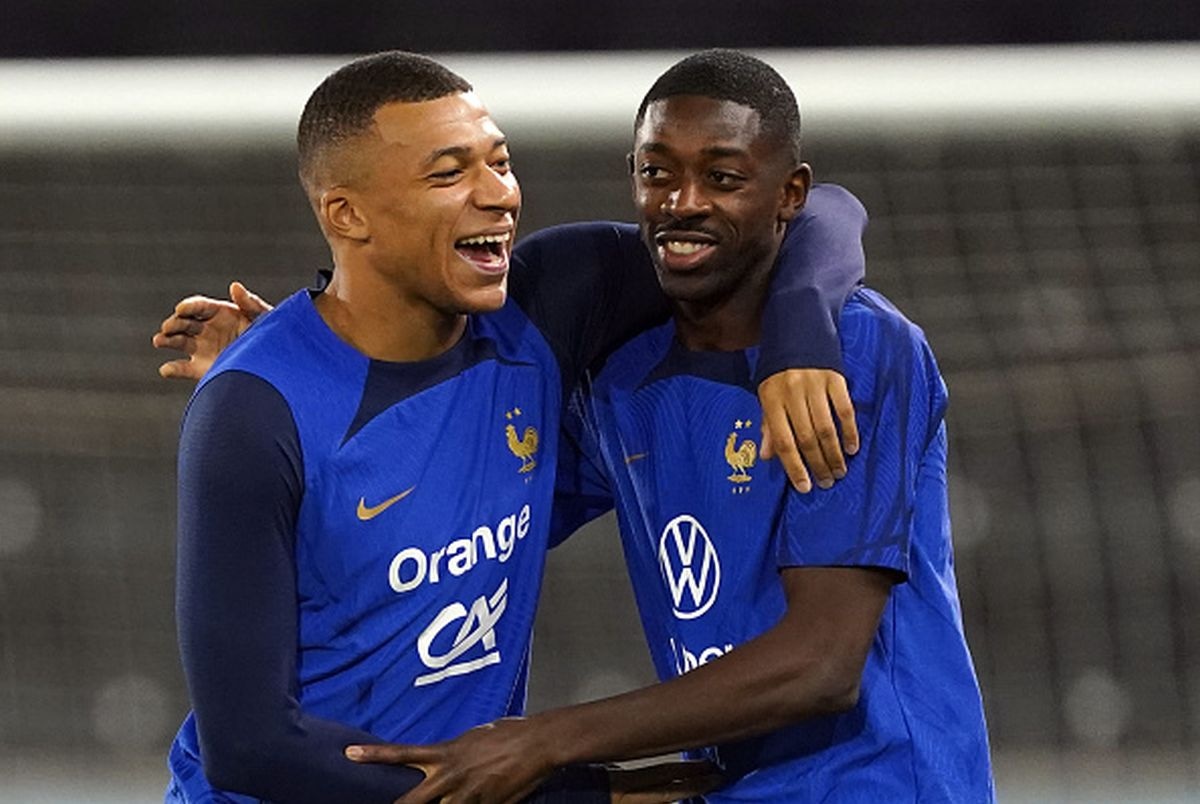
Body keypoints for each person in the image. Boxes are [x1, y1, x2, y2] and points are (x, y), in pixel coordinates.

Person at [158, 51, 868, 803]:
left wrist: (800, 342)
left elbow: (816, 214)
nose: (497, 195)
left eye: (500, 162)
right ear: (347, 214)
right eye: (449, 173)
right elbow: (251, 748)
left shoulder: (545, 309)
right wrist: (575, 796)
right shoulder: (251, 413)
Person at [343, 50, 995, 803]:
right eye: (657, 173)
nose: (683, 201)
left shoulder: (856, 351)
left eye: (722, 177)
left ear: (790, 195)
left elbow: (821, 664)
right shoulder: (621, 373)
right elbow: (477, 525)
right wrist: (324, 367)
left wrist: (543, 742)